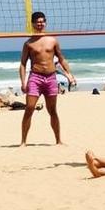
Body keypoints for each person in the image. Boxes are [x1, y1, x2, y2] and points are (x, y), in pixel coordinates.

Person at [19, 11, 76, 145]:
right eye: (37, 22)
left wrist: (70, 75)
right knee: (29, 108)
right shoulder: (29, 43)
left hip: (51, 78)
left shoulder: (53, 40)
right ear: (32, 24)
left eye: (42, 21)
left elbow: (61, 59)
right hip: (35, 77)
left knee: (52, 110)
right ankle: (23, 141)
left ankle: (58, 140)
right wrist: (23, 82)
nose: (40, 24)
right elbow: (22, 63)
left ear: (45, 23)